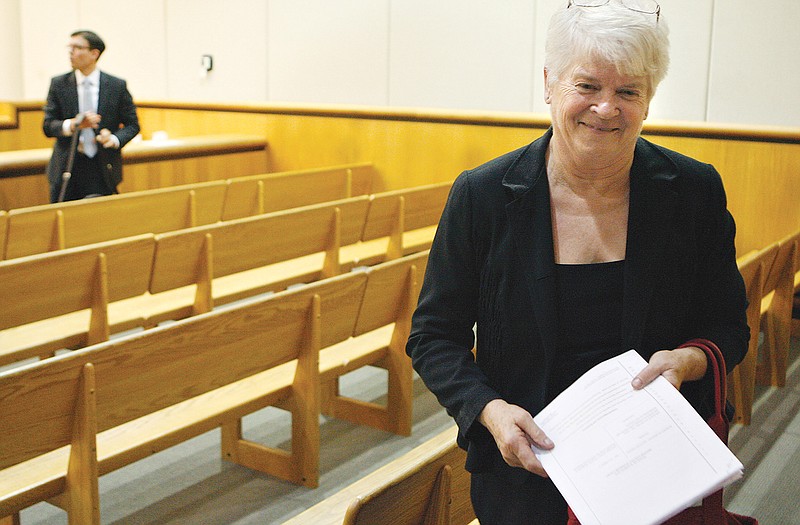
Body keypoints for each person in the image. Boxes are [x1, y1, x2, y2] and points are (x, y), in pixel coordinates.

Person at [406, 1, 749, 524]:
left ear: (649, 99)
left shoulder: (695, 191)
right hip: (524, 472)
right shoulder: (483, 196)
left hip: (653, 470)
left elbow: (729, 325)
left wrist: (691, 361)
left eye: (628, 91)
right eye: (587, 86)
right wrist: (490, 412)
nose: (606, 108)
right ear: (549, 83)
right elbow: (433, 336)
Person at [43, 30, 140, 202]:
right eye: (70, 47)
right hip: (68, 165)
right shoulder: (59, 84)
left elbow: (133, 125)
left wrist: (114, 139)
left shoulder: (116, 85)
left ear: (94, 53)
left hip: (102, 166)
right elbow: (48, 125)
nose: (71, 52)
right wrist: (72, 125)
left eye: (77, 47)